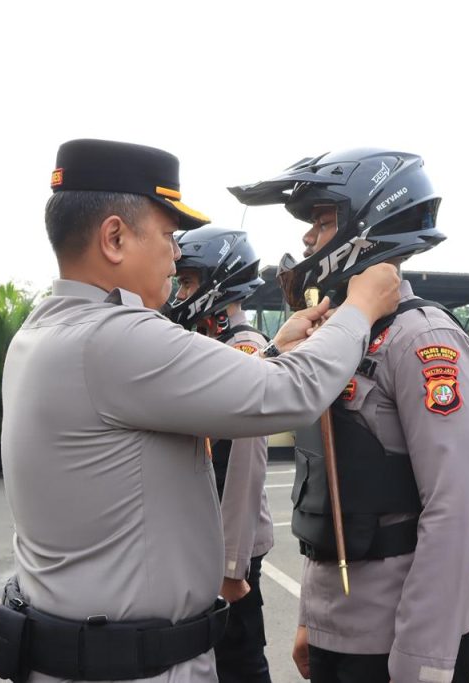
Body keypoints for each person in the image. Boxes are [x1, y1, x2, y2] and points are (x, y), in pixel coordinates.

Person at [0, 139, 402, 683]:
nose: (177, 254)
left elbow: (212, 392)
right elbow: (287, 395)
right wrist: (361, 307)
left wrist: (275, 352)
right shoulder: (115, 339)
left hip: (84, 647)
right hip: (134, 665)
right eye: (166, 236)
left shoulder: (45, 330)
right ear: (114, 237)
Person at [231, 148, 469, 683]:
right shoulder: (335, 338)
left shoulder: (422, 339)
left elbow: (454, 509)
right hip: (337, 624)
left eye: (323, 221)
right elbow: (327, 488)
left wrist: (425, 657)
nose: (306, 239)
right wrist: (311, 618)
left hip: (399, 635)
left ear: (367, 227)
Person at [169, 226, 274, 683]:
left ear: (217, 280)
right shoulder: (208, 343)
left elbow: (244, 466)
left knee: (240, 658)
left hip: (233, 548)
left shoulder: (245, 348)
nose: (179, 292)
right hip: (205, 538)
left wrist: (233, 566)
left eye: (188, 282)